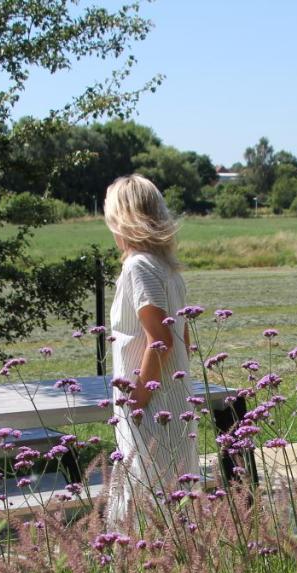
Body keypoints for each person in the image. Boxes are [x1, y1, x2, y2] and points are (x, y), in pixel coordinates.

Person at [101, 175, 199, 527]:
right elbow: (183, 338)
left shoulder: (138, 266)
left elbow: (161, 339)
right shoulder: (167, 269)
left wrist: (138, 398)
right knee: (175, 499)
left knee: (147, 499)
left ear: (122, 219)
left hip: (151, 406)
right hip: (175, 399)